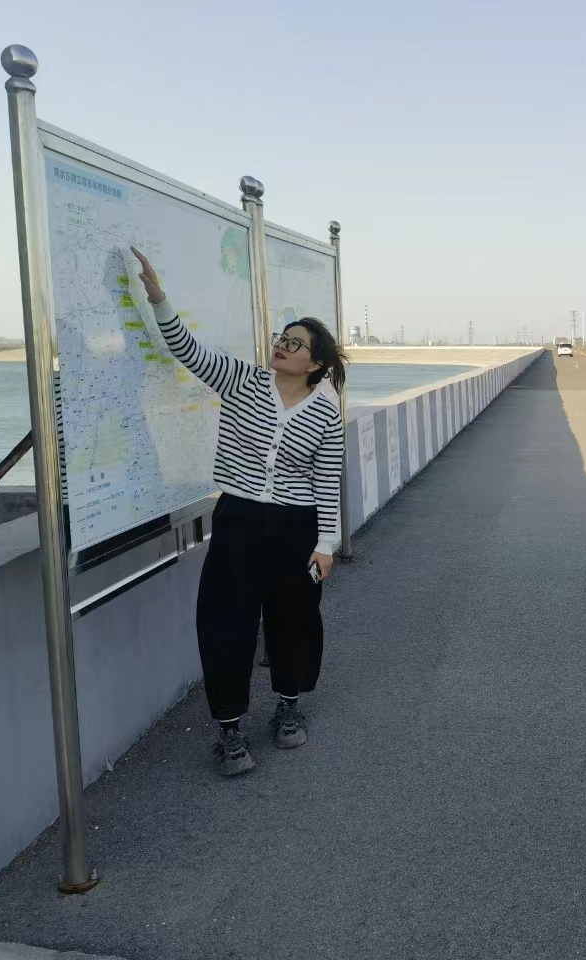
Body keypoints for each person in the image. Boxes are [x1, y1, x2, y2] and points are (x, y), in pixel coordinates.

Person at [131, 248, 346, 778]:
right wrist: (159, 299)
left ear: (315, 363)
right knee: (226, 622)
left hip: (296, 529)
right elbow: (187, 350)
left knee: (295, 620)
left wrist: (326, 545)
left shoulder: (326, 411)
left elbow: (326, 481)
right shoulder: (242, 380)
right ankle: (229, 729)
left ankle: (289, 706)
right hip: (238, 522)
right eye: (281, 338)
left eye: (294, 343)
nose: (281, 346)